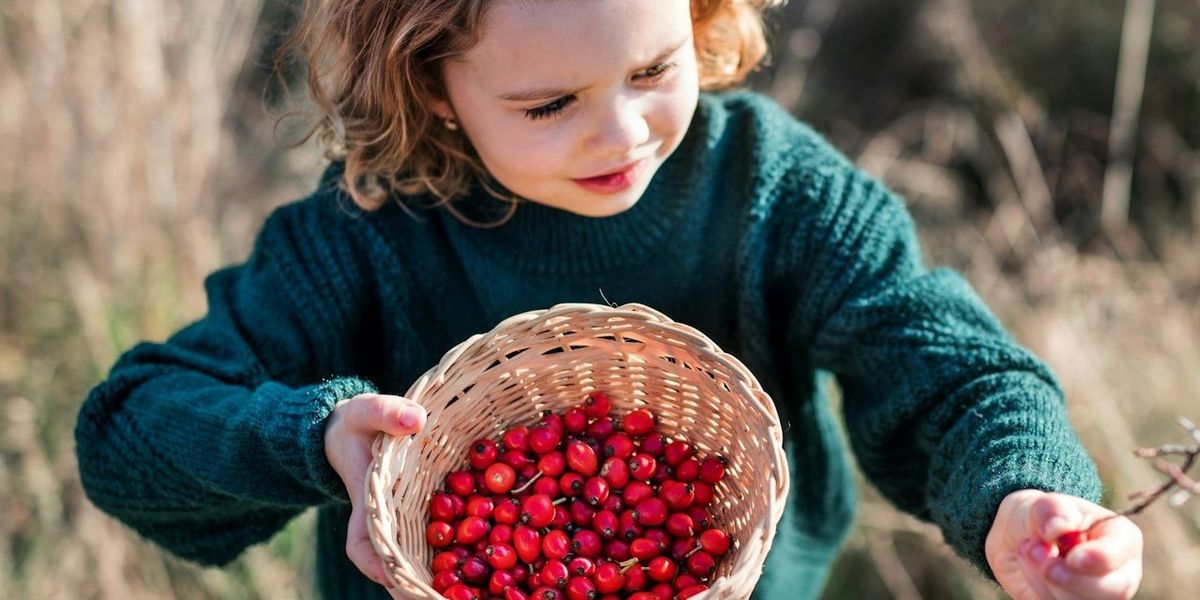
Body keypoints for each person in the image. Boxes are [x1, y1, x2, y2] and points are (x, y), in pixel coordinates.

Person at [74, 1, 1143, 598]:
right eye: (549, 105)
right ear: (427, 82)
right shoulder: (365, 232)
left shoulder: (778, 192)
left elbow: (947, 367)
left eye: (654, 68)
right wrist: (313, 438)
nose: (623, 133)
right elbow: (131, 434)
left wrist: (1023, 494)